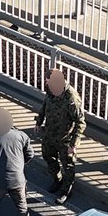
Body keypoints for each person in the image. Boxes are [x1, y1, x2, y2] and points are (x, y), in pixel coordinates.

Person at [36, 68, 85, 202]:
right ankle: (57, 179)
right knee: (47, 156)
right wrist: (39, 122)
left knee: (68, 165)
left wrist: (73, 144)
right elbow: (45, 106)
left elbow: (80, 122)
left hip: (65, 139)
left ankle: (66, 190)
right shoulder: (51, 90)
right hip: (50, 133)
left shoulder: (71, 98)